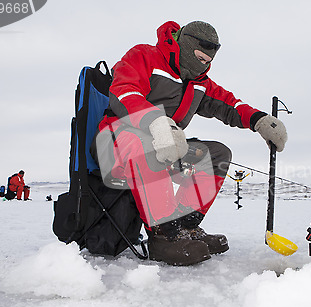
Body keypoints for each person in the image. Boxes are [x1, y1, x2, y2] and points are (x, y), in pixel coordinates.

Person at [95, 21, 287, 265]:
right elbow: (124, 92)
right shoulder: (144, 56)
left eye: (208, 61)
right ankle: (163, 235)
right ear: (184, 44)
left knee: (216, 153)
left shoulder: (199, 81)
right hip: (115, 141)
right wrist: (157, 123)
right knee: (146, 144)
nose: (203, 64)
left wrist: (259, 120)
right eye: (199, 57)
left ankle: (185, 226)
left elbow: (228, 104)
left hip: (164, 144)